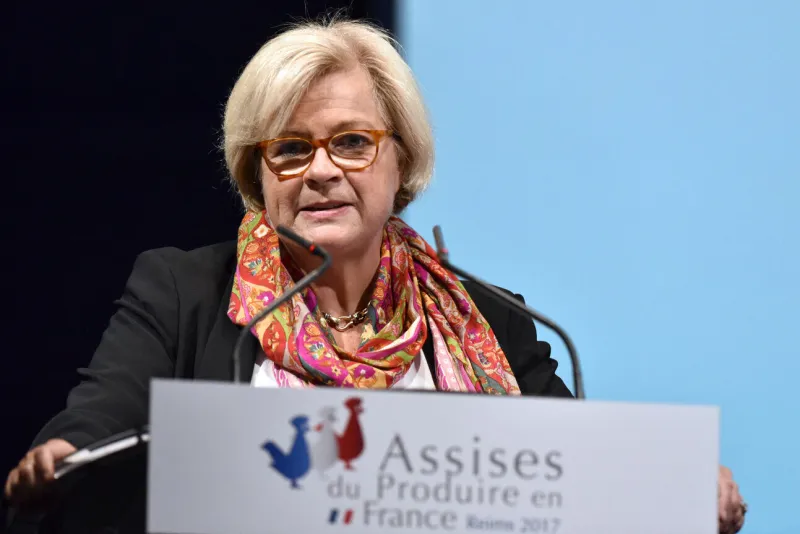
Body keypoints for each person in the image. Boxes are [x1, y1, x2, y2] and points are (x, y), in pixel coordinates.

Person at [3, 18, 746, 534]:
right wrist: (62, 457)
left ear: (402, 161)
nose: (321, 170)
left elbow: (577, 475)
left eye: (352, 142)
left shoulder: (495, 322)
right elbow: (97, 422)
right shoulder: (186, 294)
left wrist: (671, 489)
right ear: (259, 175)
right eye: (290, 149)